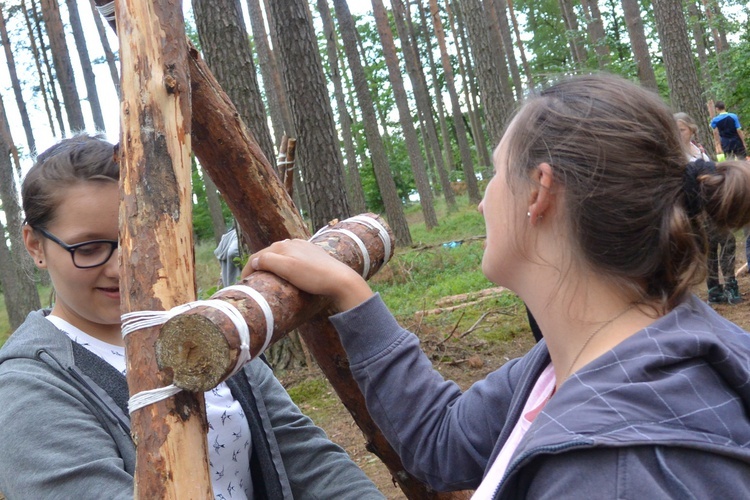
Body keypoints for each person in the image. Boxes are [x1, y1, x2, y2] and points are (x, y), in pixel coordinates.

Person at [247, 75, 750, 497]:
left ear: (539, 191)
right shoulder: (577, 360)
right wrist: (350, 293)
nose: (485, 200)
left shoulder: (609, 474)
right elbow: (442, 442)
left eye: (493, 173)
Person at [0, 135, 384, 500]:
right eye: (90, 248)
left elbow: (304, 454)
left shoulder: (202, 326)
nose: (121, 268)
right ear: (35, 245)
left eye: (134, 239)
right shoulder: (29, 391)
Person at [675, 112, 742, 304]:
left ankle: (728, 284)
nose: (679, 134)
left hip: (714, 203)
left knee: (725, 243)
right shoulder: (678, 154)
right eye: (676, 130)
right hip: (698, 207)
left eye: (682, 130)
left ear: (691, 130)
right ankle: (717, 288)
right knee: (712, 246)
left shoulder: (697, 149)